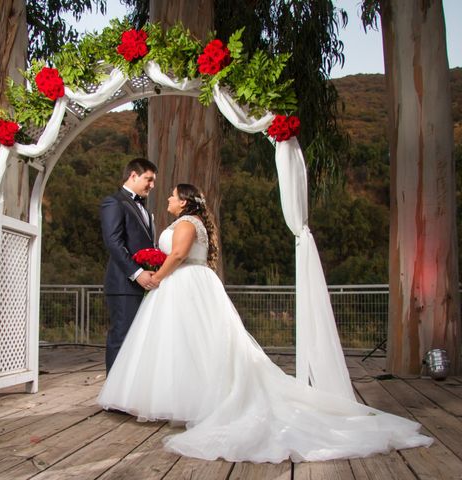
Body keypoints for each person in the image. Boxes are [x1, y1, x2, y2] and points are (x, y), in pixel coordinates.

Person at [97, 183, 432, 463]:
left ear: (184, 201)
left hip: (186, 285)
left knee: (195, 344)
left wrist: (157, 276)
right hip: (184, 286)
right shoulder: (189, 222)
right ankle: (188, 398)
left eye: (172, 195)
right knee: (184, 345)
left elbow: (179, 255)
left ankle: (206, 400)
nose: (167, 199)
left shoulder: (186, 224)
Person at [100, 158, 158, 374]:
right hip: (124, 284)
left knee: (139, 340)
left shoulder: (145, 208)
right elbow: (113, 243)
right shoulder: (113, 202)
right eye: (148, 179)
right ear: (133, 175)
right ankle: (113, 396)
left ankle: (129, 393)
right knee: (122, 338)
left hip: (144, 284)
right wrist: (137, 273)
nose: (152, 185)